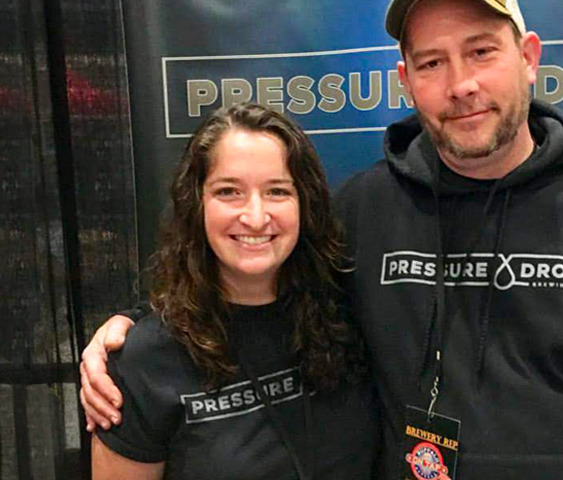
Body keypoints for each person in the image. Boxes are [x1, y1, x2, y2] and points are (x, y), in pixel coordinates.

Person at [82, 0, 563, 479]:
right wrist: (133, 336)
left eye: (481, 51)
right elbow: (256, 285)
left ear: (529, 56)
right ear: (405, 80)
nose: (461, 84)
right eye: (432, 63)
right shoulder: (366, 210)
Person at [89, 103, 379, 479]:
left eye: (277, 191)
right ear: (197, 204)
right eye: (229, 192)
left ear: (305, 203)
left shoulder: (352, 314)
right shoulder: (146, 358)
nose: (256, 217)